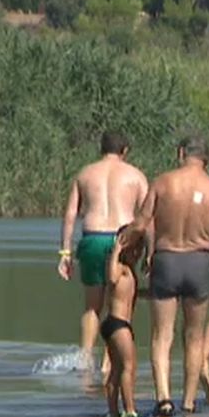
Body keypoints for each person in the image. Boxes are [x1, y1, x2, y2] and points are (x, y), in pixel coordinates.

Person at [140, 133, 209, 417]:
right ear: (207, 160)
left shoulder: (162, 182)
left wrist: (129, 248)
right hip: (198, 262)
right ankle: (187, 401)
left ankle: (163, 397)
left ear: (181, 152)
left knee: (162, 335)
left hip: (166, 258)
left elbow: (141, 223)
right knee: (194, 335)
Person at [58, 131, 149, 372]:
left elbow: (70, 216)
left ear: (101, 149)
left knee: (92, 307)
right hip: (123, 240)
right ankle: (111, 362)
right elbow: (147, 217)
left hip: (92, 237)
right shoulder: (135, 175)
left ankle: (85, 359)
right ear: (125, 150)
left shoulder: (85, 174)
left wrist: (65, 253)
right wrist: (150, 252)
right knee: (121, 305)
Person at [101, 226, 146, 417]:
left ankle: (113, 411)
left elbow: (132, 293)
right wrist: (116, 250)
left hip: (120, 325)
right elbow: (111, 279)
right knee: (129, 366)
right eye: (133, 249)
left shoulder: (131, 272)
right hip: (117, 324)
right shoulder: (118, 267)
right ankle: (130, 409)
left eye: (139, 250)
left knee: (117, 369)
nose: (136, 254)